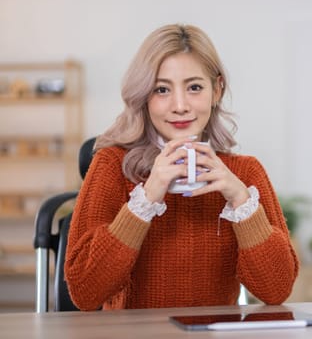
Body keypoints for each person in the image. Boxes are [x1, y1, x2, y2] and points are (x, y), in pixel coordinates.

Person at [64, 24, 299, 310]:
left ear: (217, 90)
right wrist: (146, 199)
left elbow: (276, 291)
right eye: (162, 89)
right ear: (144, 97)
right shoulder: (112, 165)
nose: (179, 105)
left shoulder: (245, 173)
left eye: (194, 88)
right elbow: (85, 293)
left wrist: (240, 200)